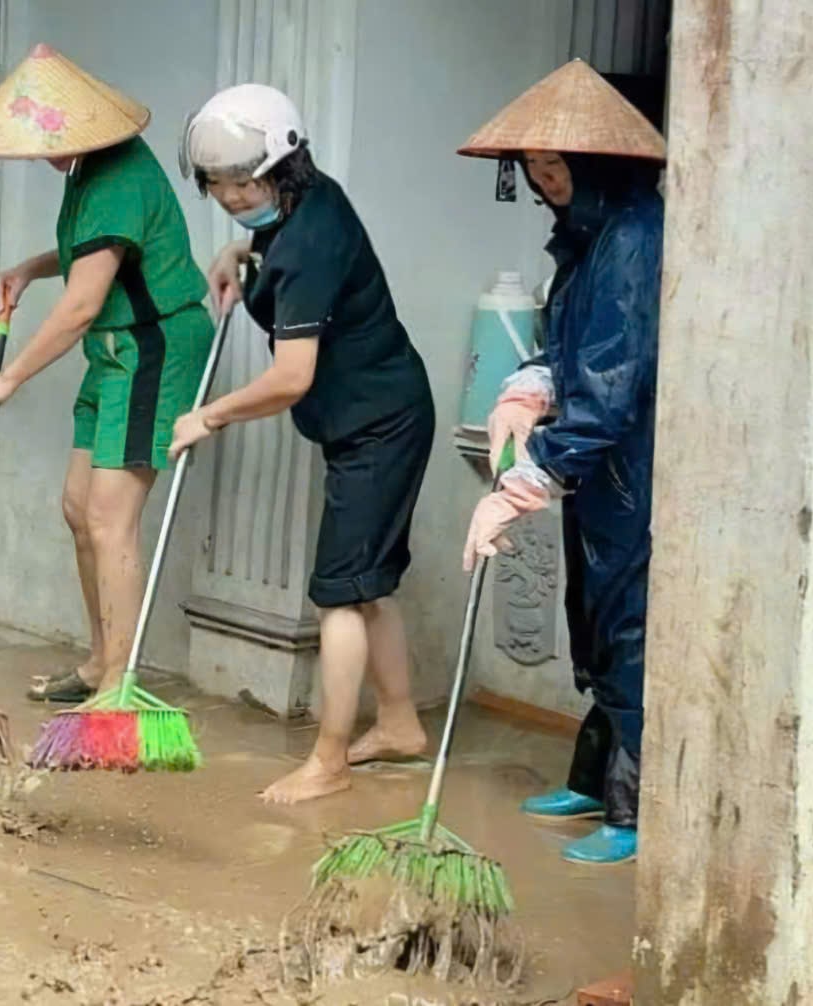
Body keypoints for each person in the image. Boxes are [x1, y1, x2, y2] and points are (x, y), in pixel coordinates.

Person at [170, 84, 435, 804]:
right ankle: (402, 725)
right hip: (371, 416)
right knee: (368, 583)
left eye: (242, 184)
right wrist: (236, 252)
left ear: (284, 169)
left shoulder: (310, 240)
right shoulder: (302, 205)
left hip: (379, 425)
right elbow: (271, 241)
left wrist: (211, 415)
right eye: (218, 187)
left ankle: (330, 759)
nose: (231, 196)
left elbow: (291, 377)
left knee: (338, 595)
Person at [0, 44, 214, 701]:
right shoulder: (91, 173)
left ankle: (118, 687)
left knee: (110, 518)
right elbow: (93, 256)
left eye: (53, 138)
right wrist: (29, 268)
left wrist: (8, 379)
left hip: (152, 347)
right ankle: (100, 662)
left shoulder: (117, 177)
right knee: (79, 508)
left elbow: (81, 305)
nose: (47, 152)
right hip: (115, 349)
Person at [459, 60, 666, 865]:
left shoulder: (636, 238)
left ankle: (633, 807)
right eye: (537, 170)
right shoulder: (587, 238)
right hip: (601, 472)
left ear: (600, 165)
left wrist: (523, 483)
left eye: (557, 169)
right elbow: (569, 346)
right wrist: (528, 385)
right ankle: (593, 776)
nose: (546, 184)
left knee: (629, 628)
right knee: (594, 622)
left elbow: (612, 386)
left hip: (629, 465)